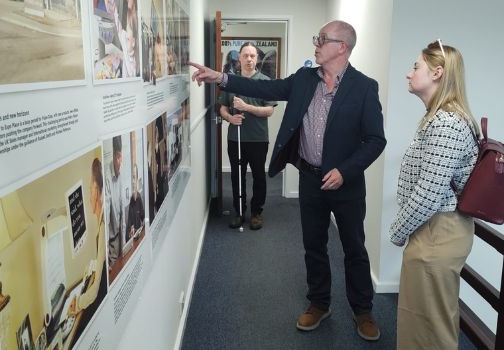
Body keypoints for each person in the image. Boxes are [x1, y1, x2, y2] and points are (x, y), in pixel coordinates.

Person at [189, 20, 388, 341]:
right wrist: (221, 77)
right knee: (313, 245)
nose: (316, 43)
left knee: (354, 248)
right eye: (317, 37)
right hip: (310, 179)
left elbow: (376, 140)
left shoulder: (365, 87)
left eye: (322, 39)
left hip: (346, 185)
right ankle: (319, 303)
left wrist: (345, 171)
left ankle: (363, 310)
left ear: (342, 47)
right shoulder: (304, 80)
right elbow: (265, 88)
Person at [390, 40, 478, 350]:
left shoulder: (446, 123)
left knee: (432, 326)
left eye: (416, 67)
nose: (409, 73)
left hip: (438, 232)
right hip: (434, 229)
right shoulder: (441, 117)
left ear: (437, 72)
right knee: (423, 319)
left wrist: (398, 232)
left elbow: (429, 193)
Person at [219, 42, 277, 230]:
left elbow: (269, 111)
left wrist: (246, 107)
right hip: (236, 139)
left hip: (258, 139)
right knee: (237, 176)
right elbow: (222, 108)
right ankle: (239, 212)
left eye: (253, 56)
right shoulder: (231, 82)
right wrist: (229, 117)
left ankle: (256, 213)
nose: (249, 59)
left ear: (257, 59)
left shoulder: (265, 81)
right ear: (240, 58)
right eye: (246, 55)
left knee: (259, 176)